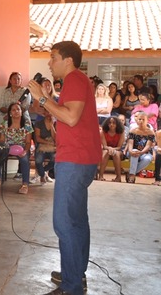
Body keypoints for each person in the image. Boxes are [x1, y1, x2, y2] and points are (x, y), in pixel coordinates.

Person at [26, 40, 102, 295]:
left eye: (53, 57)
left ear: (68, 60)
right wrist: (47, 100)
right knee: (78, 220)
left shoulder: (76, 80)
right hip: (81, 158)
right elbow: (68, 117)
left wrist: (42, 99)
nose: (50, 62)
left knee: (64, 223)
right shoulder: (75, 82)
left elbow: (70, 117)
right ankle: (74, 274)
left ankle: (71, 287)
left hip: (76, 160)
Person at [0, 103, 34, 194]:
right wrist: (4, 147)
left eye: (18, 109)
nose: (16, 111)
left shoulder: (27, 125)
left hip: (22, 146)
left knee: (25, 160)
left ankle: (25, 184)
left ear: (21, 112)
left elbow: (28, 142)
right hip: (8, 146)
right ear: (10, 113)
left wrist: (25, 151)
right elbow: (1, 141)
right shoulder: (4, 124)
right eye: (13, 110)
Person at [124, 111, 155, 183]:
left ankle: (131, 173)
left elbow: (148, 145)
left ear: (147, 120)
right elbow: (130, 143)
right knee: (135, 152)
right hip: (133, 152)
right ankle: (132, 176)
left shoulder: (150, 132)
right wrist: (131, 151)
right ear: (137, 120)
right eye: (140, 119)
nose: (141, 121)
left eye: (143, 119)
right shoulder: (133, 130)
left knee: (147, 159)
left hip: (145, 152)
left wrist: (141, 152)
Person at [31, 110, 56, 185]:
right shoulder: (39, 123)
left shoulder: (56, 124)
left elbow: (56, 138)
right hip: (42, 145)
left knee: (55, 159)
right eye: (47, 111)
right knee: (38, 160)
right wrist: (48, 142)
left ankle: (42, 173)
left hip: (53, 147)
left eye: (51, 111)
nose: (50, 113)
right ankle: (42, 174)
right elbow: (38, 138)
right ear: (44, 113)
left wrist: (52, 126)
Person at [98, 116, 125, 182]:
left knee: (116, 153)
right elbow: (104, 146)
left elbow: (119, 147)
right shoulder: (103, 132)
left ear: (117, 124)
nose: (111, 124)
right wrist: (109, 148)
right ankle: (100, 176)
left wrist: (112, 149)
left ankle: (118, 177)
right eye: (109, 123)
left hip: (118, 150)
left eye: (114, 123)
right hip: (106, 149)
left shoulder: (121, 132)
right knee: (106, 152)